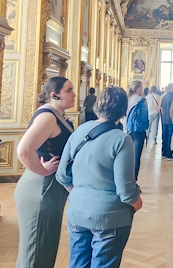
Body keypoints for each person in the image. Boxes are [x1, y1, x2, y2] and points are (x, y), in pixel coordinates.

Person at [55, 86, 142, 268]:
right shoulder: (121, 139)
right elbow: (125, 189)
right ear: (122, 109)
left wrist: (78, 193)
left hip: (77, 212)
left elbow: (62, 175)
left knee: (78, 264)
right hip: (109, 217)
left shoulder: (80, 130)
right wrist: (137, 202)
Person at [14, 76, 75, 268]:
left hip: (48, 189)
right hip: (41, 190)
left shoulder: (55, 115)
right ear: (54, 95)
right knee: (36, 252)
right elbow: (23, 150)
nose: (74, 95)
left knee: (43, 248)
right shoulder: (48, 117)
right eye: (69, 90)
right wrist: (43, 169)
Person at [127, 80, 148, 180]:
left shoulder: (128, 99)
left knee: (128, 156)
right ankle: (133, 181)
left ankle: (127, 179)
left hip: (128, 129)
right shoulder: (141, 100)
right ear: (138, 88)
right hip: (139, 131)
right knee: (136, 157)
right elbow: (144, 117)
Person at [160, 84, 173, 160]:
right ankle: (169, 154)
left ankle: (163, 152)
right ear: (172, 88)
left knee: (165, 135)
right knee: (171, 136)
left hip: (164, 118)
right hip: (171, 118)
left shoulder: (164, 97)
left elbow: (161, 108)